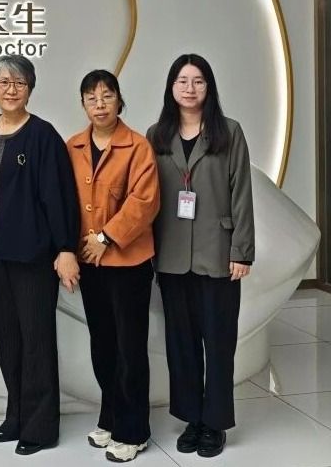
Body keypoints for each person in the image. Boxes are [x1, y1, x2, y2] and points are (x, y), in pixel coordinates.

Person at [0, 54, 79, 456]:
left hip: (33, 255)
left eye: (19, 83)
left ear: (30, 89)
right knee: (8, 338)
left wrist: (65, 248)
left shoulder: (43, 136)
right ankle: (15, 415)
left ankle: (41, 426)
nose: (10, 90)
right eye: (3, 82)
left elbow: (60, 198)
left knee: (36, 341)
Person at [147, 53, 254, 459]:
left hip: (219, 254)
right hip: (172, 256)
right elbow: (148, 197)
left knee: (219, 342)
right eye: (182, 81)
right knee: (182, 344)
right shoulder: (157, 134)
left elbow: (242, 193)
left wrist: (242, 250)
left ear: (208, 87)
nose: (189, 88)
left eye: (198, 81)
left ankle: (216, 421)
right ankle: (192, 417)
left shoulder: (229, 132)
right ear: (171, 87)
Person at [66, 69, 160, 463]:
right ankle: (111, 415)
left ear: (119, 100)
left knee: (130, 347)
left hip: (128, 262)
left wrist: (105, 237)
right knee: (102, 344)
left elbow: (145, 202)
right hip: (91, 265)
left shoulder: (138, 146)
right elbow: (65, 199)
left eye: (107, 96)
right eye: (91, 97)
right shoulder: (73, 146)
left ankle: (134, 430)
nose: (100, 104)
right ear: (83, 104)